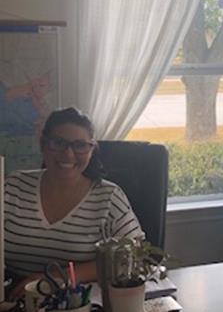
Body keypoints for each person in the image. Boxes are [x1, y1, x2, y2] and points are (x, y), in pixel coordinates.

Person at [4, 106, 142, 298]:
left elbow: (133, 255)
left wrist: (56, 278)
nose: (68, 154)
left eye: (80, 145)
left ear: (91, 150)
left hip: (80, 306)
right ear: (43, 144)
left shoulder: (109, 197)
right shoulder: (14, 185)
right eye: (58, 143)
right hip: (12, 304)